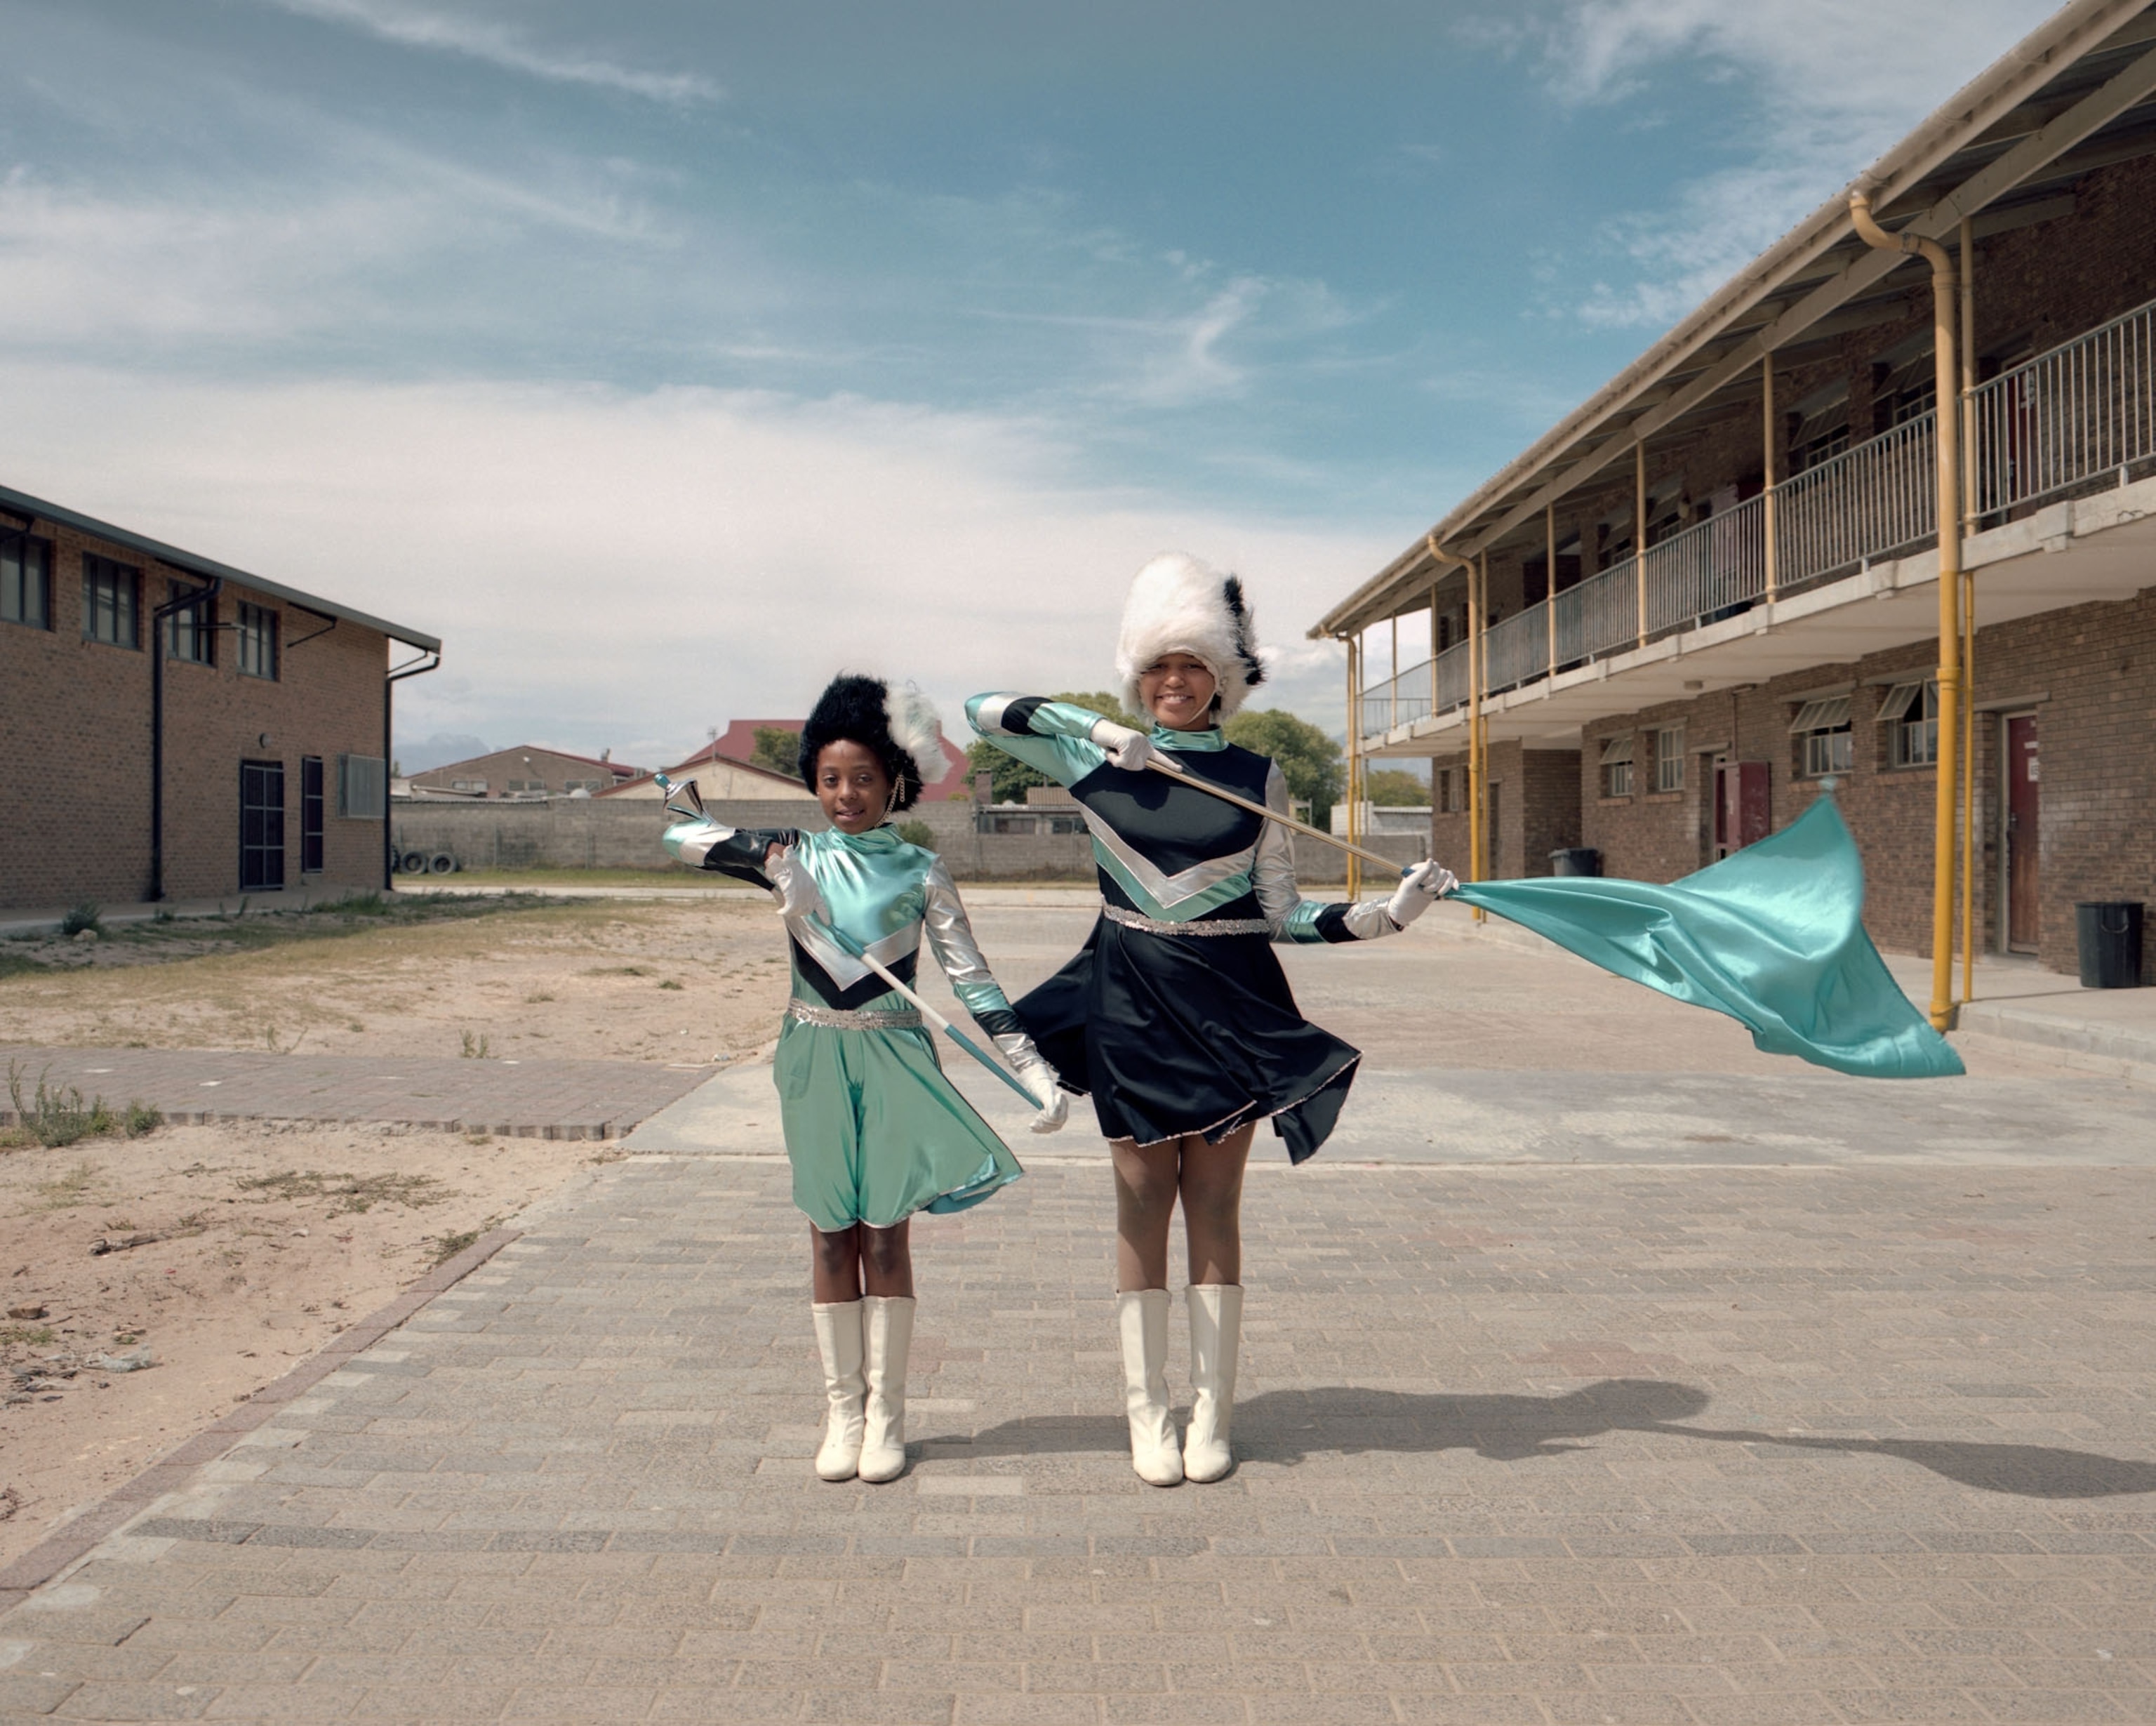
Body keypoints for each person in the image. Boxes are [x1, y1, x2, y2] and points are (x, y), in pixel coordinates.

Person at [967, 555, 1454, 1486]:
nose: (1175, 682)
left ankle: (1211, 1412)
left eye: (1193, 665)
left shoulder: (1256, 775)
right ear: (1138, 674)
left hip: (1231, 1003)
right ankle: (1147, 1413)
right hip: (1131, 1000)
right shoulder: (1092, 755)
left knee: (1218, 1205)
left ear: (1224, 677)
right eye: (1158, 666)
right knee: (1142, 1199)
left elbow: (1280, 910)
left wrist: (1390, 914)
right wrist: (1100, 728)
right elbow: (982, 710)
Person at [664, 674, 1066, 1484]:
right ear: (814, 780)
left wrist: (1030, 1062)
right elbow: (678, 830)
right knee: (827, 1228)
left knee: (885, 1229)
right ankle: (840, 1411)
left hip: (895, 1058)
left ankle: (887, 1415)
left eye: (864, 779)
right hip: (812, 1053)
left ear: (895, 782)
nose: (847, 795)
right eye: (830, 779)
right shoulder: (792, 852)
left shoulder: (922, 869)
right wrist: (767, 864)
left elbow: (974, 980)